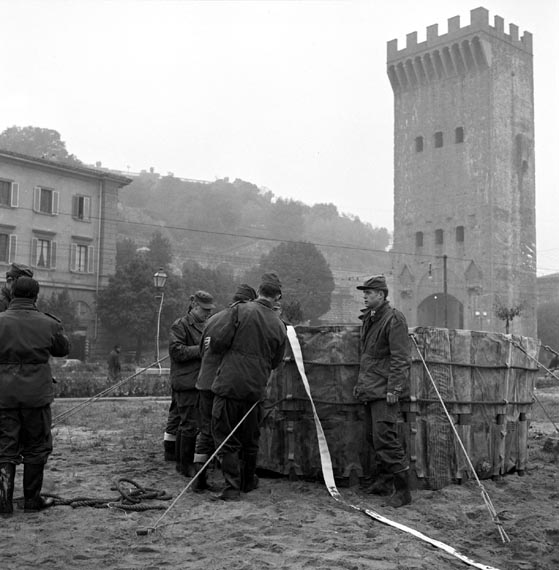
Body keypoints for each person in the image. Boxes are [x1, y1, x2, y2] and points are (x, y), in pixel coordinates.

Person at [209, 272, 287, 501]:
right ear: (278, 296)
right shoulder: (280, 325)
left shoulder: (240, 310)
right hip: (255, 390)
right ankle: (248, 481)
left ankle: (232, 487)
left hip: (229, 385)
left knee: (225, 436)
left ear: (259, 290)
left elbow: (218, 343)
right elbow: (275, 362)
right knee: (250, 437)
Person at [0, 277, 70, 515]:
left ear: (11, 292)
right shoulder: (48, 323)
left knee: (4, 447)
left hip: (3, 395)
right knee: (36, 446)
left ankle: (3, 502)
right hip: (36, 397)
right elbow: (63, 349)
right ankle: (32, 500)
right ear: (36, 296)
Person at [353, 274, 412, 508]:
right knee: (372, 437)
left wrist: (394, 389)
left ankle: (403, 491)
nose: (365, 296)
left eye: (369, 293)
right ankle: (384, 482)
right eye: (364, 293)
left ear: (381, 294)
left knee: (385, 438)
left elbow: (400, 358)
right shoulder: (371, 319)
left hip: (385, 390)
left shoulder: (394, 319)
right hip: (370, 387)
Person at [192, 284, 257, 492]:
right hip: (224, 387)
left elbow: (203, 350)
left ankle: (199, 480)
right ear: (248, 302)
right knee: (230, 433)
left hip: (204, 383)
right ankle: (237, 482)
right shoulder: (242, 321)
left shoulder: (212, 319)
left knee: (205, 432)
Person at [168, 290, 215, 477]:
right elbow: (176, 351)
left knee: (189, 424)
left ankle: (182, 464)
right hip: (185, 382)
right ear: (194, 306)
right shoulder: (180, 325)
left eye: (209, 310)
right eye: (204, 310)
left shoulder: (206, 326)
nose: (208, 313)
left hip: (197, 381)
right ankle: (185, 465)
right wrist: (202, 349)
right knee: (188, 424)